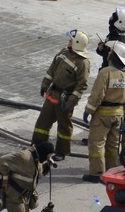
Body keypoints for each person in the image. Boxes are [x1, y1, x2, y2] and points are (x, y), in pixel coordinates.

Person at [31, 29, 90, 159]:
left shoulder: (83, 63)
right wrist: (45, 84)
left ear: (76, 43)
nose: (68, 41)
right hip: (52, 94)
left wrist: (71, 101)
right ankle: (37, 147)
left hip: (65, 99)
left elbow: (82, 85)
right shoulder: (63, 53)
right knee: (42, 124)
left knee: (64, 127)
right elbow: (52, 69)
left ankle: (62, 151)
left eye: (71, 40)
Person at [84, 41, 125, 182]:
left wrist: (89, 110)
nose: (108, 52)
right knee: (114, 145)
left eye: (111, 51)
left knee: (97, 143)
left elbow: (97, 95)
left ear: (115, 55)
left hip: (102, 114)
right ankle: (112, 172)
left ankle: (96, 173)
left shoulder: (105, 72)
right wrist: (122, 111)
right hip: (118, 115)